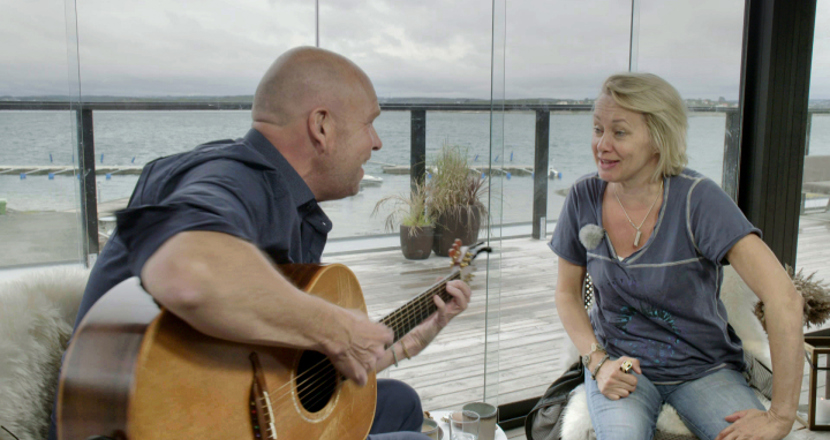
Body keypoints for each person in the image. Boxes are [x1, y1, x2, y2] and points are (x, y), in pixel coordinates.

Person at [47, 46, 472, 440]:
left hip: (238, 412)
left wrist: (407, 343)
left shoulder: (286, 200)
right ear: (322, 126)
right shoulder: (236, 179)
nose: (377, 142)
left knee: (400, 402)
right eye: (369, 123)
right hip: (158, 421)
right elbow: (186, 270)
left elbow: (278, 372)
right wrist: (338, 330)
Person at [549, 72, 804, 440]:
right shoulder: (583, 197)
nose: (602, 145)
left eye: (619, 132)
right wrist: (598, 362)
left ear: (658, 138)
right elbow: (567, 294)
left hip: (704, 368)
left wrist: (781, 415)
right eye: (598, 129)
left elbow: (785, 299)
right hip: (622, 366)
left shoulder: (698, 199)